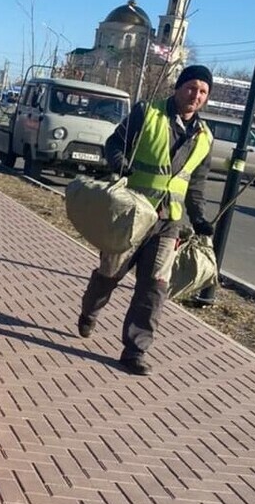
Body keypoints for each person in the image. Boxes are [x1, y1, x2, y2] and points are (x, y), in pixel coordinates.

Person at [78, 64, 215, 376]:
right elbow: (114, 143)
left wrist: (200, 218)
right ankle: (90, 310)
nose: (196, 95)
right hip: (132, 213)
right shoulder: (148, 112)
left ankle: (135, 350)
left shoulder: (205, 137)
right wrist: (119, 163)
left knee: (154, 288)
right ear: (178, 88)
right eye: (191, 87)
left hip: (169, 223)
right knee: (109, 273)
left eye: (203, 91)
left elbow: (195, 185)